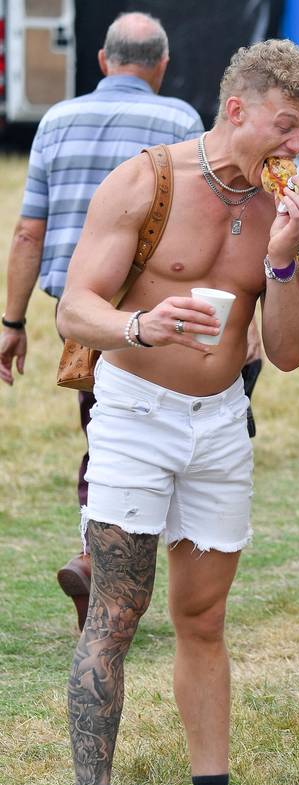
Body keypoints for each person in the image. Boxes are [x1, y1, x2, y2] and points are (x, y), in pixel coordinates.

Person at [55, 38, 299, 785]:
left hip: (221, 420)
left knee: (203, 620)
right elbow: (75, 308)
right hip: (136, 412)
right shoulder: (149, 180)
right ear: (237, 108)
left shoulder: (286, 205)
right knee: (116, 611)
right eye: (287, 128)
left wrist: (286, 256)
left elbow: (286, 353)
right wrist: (141, 325)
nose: (298, 149)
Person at [0, 12, 204, 631]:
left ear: (101, 60)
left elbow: (29, 230)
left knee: (104, 436)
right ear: (161, 65)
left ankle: (100, 558)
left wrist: (11, 320)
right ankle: (116, 567)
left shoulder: (55, 121)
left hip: (82, 320)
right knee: (162, 446)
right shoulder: (180, 122)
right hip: (163, 318)